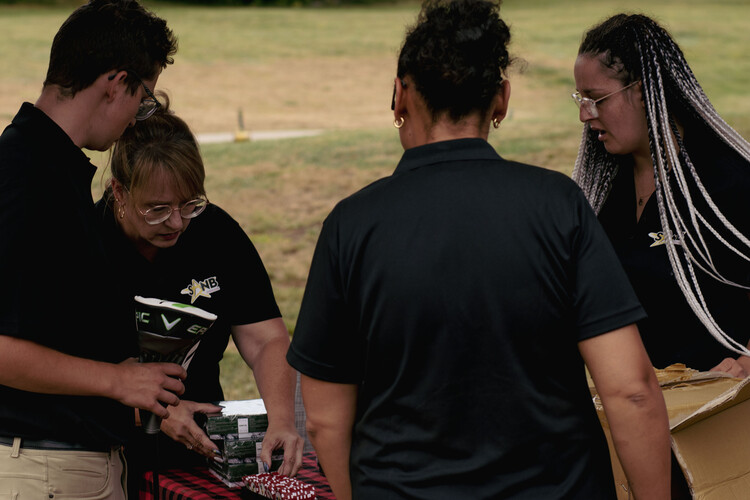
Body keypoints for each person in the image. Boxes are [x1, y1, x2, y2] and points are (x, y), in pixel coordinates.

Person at [286, 0, 670, 498]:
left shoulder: (350, 224)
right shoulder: (558, 206)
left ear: (400, 95)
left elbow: (323, 420)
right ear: (501, 100)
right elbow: (631, 391)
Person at [0, 1, 183, 498]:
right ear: (115, 82)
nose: (138, 117)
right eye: (143, 98)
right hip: (44, 471)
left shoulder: (49, 167)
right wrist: (118, 381)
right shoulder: (28, 177)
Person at [97, 97, 303, 497]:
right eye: (156, 210)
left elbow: (266, 339)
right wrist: (156, 412)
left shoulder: (217, 233)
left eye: (190, 204)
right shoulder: (88, 242)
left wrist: (281, 418)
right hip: (104, 460)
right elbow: (71, 368)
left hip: (200, 460)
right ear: (119, 191)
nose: (176, 222)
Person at [571, 14, 750, 375]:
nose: (583, 115)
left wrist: (746, 364)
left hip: (717, 409)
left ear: (643, 90)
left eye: (596, 99)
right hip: (634, 404)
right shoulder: (600, 189)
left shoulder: (726, 179)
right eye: (580, 98)